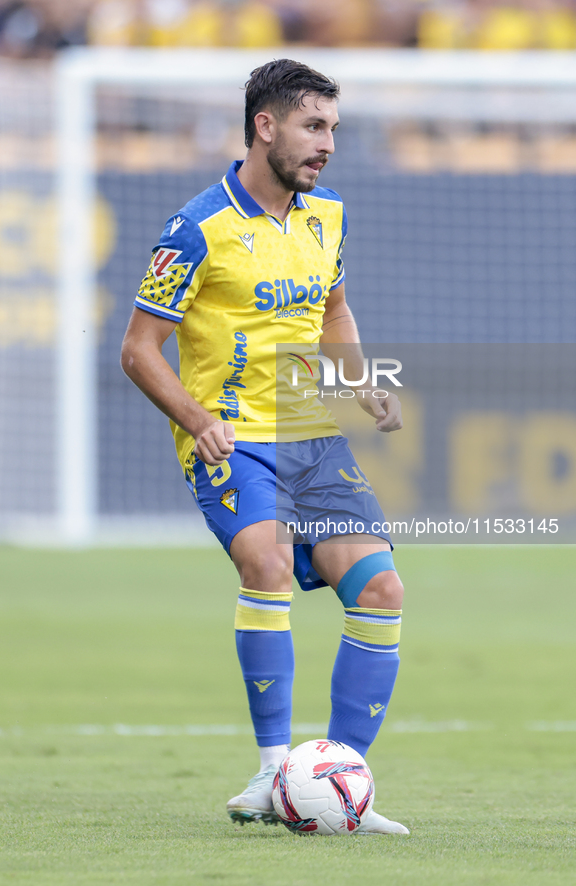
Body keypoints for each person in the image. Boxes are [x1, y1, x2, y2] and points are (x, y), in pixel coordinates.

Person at [121, 58, 408, 836]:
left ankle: (339, 782)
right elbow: (139, 349)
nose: (327, 146)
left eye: (333, 131)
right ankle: (270, 767)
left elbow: (334, 310)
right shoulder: (196, 227)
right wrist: (195, 417)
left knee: (380, 590)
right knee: (268, 561)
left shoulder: (328, 216)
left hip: (308, 437)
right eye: (314, 128)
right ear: (265, 125)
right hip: (230, 442)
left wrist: (358, 382)